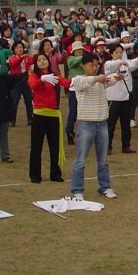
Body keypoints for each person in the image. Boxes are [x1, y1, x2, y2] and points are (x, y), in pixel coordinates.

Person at [68, 51, 121, 200]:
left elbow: (109, 80)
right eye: (92, 65)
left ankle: (105, 187)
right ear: (84, 66)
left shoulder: (100, 81)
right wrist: (97, 78)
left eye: (97, 65)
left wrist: (117, 78)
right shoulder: (78, 80)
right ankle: (77, 190)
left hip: (102, 123)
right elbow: (87, 82)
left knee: (103, 159)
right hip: (86, 124)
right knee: (81, 159)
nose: (95, 68)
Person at [28, 53, 72, 183]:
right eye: (39, 60)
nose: (42, 62)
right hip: (39, 115)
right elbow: (33, 86)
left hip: (53, 115)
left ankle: (55, 174)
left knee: (55, 146)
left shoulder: (54, 76)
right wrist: (42, 79)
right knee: (36, 146)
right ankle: (35, 175)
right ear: (36, 64)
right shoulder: (33, 76)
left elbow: (67, 83)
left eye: (44, 59)